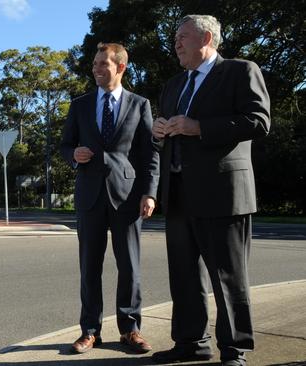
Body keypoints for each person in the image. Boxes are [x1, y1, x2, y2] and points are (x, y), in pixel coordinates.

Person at [150, 15, 270, 366]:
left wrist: (199, 127)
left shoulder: (239, 71)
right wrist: (160, 132)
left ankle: (235, 349)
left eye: (182, 36)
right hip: (178, 194)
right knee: (184, 277)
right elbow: (171, 136)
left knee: (227, 277)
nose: (176, 43)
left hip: (223, 193)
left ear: (206, 37)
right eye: (175, 38)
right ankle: (190, 343)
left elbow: (259, 121)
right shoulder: (173, 85)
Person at [60, 43, 159, 355]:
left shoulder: (140, 104)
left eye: (103, 64)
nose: (96, 69)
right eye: (94, 64)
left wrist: (150, 192)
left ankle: (130, 330)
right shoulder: (80, 105)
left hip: (128, 197)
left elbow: (149, 153)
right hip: (89, 196)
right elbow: (65, 145)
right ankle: (90, 332)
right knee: (89, 267)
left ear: (121, 67)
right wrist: (73, 155)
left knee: (130, 267)